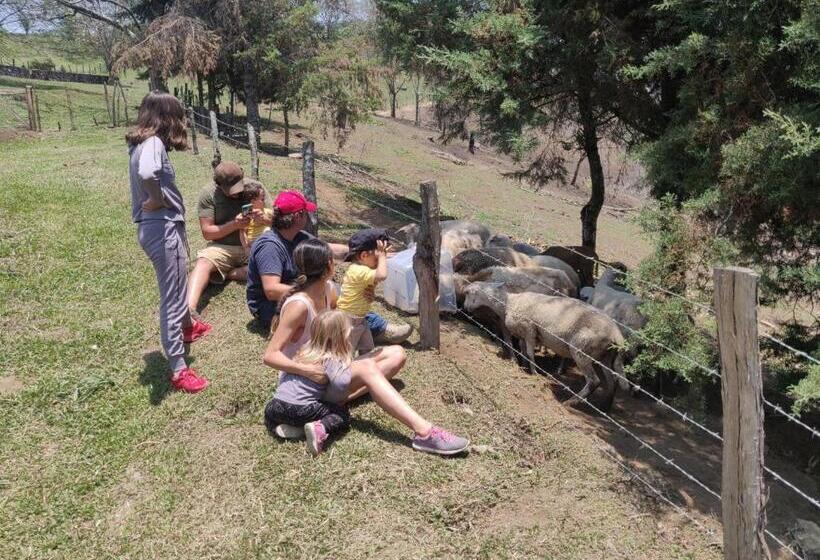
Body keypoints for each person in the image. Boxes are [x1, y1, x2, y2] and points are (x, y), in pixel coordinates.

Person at [263, 239, 470, 456]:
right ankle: (425, 432)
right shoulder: (299, 305)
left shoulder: (328, 290)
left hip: (328, 371)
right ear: (329, 266)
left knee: (397, 354)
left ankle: (319, 412)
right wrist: (308, 371)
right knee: (368, 369)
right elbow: (270, 356)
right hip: (306, 380)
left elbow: (345, 312)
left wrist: (365, 296)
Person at [246, 190, 412, 345]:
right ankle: (373, 330)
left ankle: (373, 327)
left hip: (298, 292)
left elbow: (331, 249)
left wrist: (366, 253)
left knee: (345, 294)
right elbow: (271, 290)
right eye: (306, 212)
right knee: (332, 298)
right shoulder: (269, 246)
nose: (308, 216)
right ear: (298, 216)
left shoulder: (299, 237)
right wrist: (317, 292)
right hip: (270, 307)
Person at [126, 92, 210, 393]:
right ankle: (178, 367)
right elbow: (148, 173)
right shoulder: (153, 143)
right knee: (172, 297)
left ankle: (188, 326)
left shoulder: (139, 144)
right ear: (167, 117)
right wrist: (156, 198)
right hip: (162, 229)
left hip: (158, 228)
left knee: (177, 282)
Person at [187, 161, 272, 316]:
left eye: (239, 187)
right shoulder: (208, 194)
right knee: (203, 262)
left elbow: (276, 220)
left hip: (255, 244)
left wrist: (264, 219)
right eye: (231, 190)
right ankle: (188, 310)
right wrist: (235, 225)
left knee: (270, 269)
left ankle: (228, 273)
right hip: (223, 246)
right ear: (218, 184)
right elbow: (207, 232)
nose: (236, 193)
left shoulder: (256, 188)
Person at [264, 310, 353, 456]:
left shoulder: (304, 350)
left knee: (269, 414)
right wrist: (347, 367)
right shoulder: (331, 358)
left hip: (276, 404)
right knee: (342, 415)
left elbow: (283, 375)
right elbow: (341, 384)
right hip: (303, 408)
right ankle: (320, 428)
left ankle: (287, 428)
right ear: (341, 336)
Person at [336, 228, 393, 355]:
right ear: (364, 256)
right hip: (349, 321)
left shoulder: (363, 270)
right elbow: (382, 275)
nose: (379, 263)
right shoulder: (358, 270)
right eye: (377, 259)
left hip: (361, 318)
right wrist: (382, 256)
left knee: (367, 349)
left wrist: (371, 296)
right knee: (345, 354)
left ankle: (364, 363)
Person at [239, 181, 273, 254]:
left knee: (267, 231)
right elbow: (242, 232)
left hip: (267, 240)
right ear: (253, 202)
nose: (264, 201)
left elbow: (276, 225)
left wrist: (265, 219)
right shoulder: (247, 215)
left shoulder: (267, 212)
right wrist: (246, 247)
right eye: (262, 199)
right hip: (253, 243)